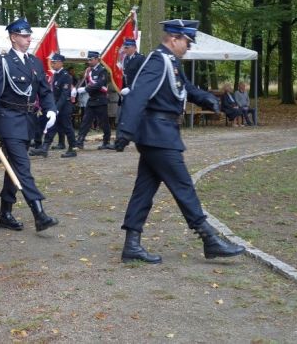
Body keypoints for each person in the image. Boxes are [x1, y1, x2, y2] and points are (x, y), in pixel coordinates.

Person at [115, 19, 245, 263]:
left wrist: (210, 100)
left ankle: (132, 244)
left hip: (160, 135)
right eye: (186, 41)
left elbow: (187, 88)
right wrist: (124, 131)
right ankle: (210, 239)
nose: (188, 46)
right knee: (183, 185)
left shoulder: (171, 63)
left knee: (144, 190)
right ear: (173, 39)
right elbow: (138, 94)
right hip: (158, 135)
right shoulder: (157, 60)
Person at [0, 18, 59, 232]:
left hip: (28, 122)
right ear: (13, 37)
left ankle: (5, 213)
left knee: (14, 169)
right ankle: (39, 213)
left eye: (29, 36)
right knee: (22, 166)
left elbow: (44, 90)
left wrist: (51, 109)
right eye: (25, 36)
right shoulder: (3, 62)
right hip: (8, 120)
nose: (29, 39)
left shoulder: (35, 62)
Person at [28, 53, 77, 158]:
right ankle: (44, 148)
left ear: (60, 63)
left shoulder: (66, 76)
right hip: (57, 106)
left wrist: (57, 108)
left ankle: (73, 148)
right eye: (52, 62)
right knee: (51, 126)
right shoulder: (56, 75)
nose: (52, 64)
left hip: (64, 106)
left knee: (67, 127)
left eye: (54, 62)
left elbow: (64, 95)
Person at [75, 51, 113, 150]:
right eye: (88, 59)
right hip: (92, 100)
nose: (89, 61)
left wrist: (85, 89)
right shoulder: (89, 71)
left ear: (97, 59)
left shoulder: (102, 70)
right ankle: (80, 141)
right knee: (85, 121)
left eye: (91, 59)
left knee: (104, 123)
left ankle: (106, 142)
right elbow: (86, 82)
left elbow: (99, 84)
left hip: (101, 100)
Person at [115, 38, 146, 151]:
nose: (125, 50)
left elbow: (143, 77)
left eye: (127, 48)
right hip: (126, 93)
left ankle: (144, 139)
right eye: (125, 48)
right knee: (124, 116)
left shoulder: (140, 59)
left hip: (136, 93)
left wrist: (131, 88)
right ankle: (119, 141)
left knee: (139, 118)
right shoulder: (125, 59)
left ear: (134, 47)